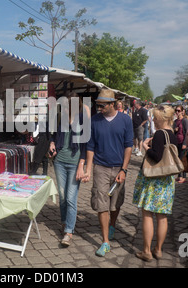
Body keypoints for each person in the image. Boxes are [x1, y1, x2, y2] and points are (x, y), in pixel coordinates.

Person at [84, 89, 133, 257]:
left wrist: (124, 169)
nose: (99, 108)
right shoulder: (94, 121)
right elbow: (90, 146)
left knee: (116, 203)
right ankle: (105, 241)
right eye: (97, 105)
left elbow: (128, 146)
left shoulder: (125, 120)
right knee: (101, 203)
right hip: (101, 167)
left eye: (102, 105)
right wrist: (88, 169)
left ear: (112, 104)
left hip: (119, 167)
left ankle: (113, 223)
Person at [132, 105, 178, 262]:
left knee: (147, 214)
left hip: (154, 180)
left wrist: (145, 147)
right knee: (162, 216)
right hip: (167, 180)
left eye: (155, 118)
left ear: (160, 119)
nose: (153, 121)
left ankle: (146, 251)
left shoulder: (159, 134)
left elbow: (156, 156)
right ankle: (158, 249)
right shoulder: (172, 134)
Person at [48, 92, 88, 247]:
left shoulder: (83, 120)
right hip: (59, 161)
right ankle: (64, 222)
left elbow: (86, 145)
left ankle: (69, 231)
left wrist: (81, 166)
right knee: (63, 196)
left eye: (66, 107)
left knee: (71, 198)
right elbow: (53, 135)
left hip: (74, 163)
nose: (64, 109)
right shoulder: (61, 118)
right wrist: (52, 144)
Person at [173, 105, 188, 183]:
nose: (177, 112)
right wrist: (175, 130)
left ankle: (184, 176)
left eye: (178, 111)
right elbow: (173, 131)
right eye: (176, 110)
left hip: (182, 142)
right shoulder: (175, 121)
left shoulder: (185, 120)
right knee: (178, 159)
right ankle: (179, 176)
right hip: (177, 142)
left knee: (183, 159)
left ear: (182, 111)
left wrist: (185, 143)